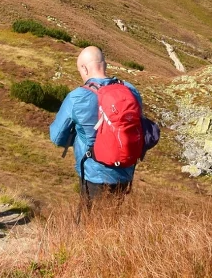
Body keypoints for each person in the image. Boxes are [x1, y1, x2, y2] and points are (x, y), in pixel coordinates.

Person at [50, 46, 145, 206]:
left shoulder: (77, 97)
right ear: (105, 64)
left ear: (84, 68)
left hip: (93, 173)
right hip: (125, 171)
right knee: (114, 220)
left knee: (90, 224)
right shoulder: (130, 90)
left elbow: (57, 137)